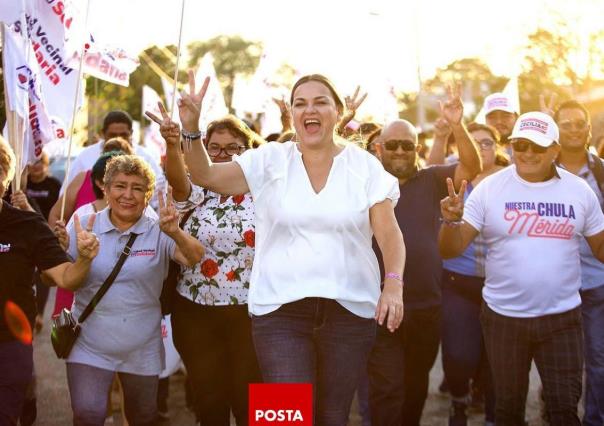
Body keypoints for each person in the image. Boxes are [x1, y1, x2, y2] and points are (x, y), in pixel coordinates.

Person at [152, 72, 405, 425]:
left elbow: (389, 232)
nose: (309, 110)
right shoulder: (270, 159)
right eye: (300, 103)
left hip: (350, 312)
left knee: (332, 416)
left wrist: (393, 283)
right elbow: (206, 175)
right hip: (280, 312)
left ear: (338, 111)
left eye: (320, 102)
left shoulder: (365, 167)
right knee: (286, 416)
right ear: (291, 113)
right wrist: (192, 129)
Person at [438, 111, 604, 425]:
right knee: (508, 411)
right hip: (504, 319)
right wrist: (450, 220)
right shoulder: (490, 189)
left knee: (564, 411)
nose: (527, 153)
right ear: (512, 146)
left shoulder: (580, 191)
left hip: (562, 319)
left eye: (537, 147)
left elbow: (600, 249)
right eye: (521, 145)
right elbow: (451, 248)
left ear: (555, 149)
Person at [367, 85, 482, 426]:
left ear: (416, 149)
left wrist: (457, 126)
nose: (400, 151)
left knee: (416, 384)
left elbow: (470, 166)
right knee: (387, 387)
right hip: (378, 304)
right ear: (379, 148)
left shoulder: (431, 179)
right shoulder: (364, 182)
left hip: (425, 306)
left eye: (407, 145)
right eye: (393, 145)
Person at [60, 155, 203, 426]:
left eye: (137, 188)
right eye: (120, 186)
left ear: (148, 194)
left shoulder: (158, 230)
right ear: (105, 188)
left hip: (142, 347)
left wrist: (176, 232)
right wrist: (81, 257)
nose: (128, 195)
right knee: (88, 414)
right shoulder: (84, 224)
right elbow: (56, 278)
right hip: (89, 344)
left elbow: (194, 257)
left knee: (143, 417)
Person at [151, 95, 262, 424]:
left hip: (252, 312)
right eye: (215, 147)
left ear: (248, 151)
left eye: (234, 147)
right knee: (210, 399)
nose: (223, 154)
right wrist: (176, 142)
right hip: (195, 313)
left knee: (250, 399)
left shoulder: (264, 189)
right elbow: (178, 181)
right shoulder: (196, 189)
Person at [0, 136, 100, 425]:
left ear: (8, 180)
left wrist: (83, 258)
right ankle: (28, 389)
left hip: (9, 342)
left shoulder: (28, 226)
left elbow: (66, 279)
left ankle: (26, 388)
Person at [440, 123, 508, 426]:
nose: (482, 148)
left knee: (500, 359)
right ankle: (458, 403)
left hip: (503, 284)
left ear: (497, 147)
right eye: (475, 142)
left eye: (488, 142)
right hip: (459, 282)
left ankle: (495, 415)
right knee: (458, 356)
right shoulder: (452, 179)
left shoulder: (513, 181)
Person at [553, 100, 604, 426]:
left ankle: (595, 419)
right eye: (566, 124)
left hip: (596, 280)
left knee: (598, 357)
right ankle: (558, 411)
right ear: (556, 129)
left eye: (578, 123)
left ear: (589, 129)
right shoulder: (539, 169)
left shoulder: (600, 171)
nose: (573, 129)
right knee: (557, 359)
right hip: (554, 282)